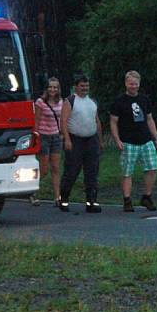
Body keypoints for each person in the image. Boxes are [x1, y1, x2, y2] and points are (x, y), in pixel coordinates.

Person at [109, 70, 157, 212]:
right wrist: (117, 139)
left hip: (145, 139)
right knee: (127, 171)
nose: (133, 86)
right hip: (128, 141)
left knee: (152, 167)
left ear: (139, 84)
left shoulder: (144, 99)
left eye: (136, 84)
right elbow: (113, 121)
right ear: (126, 84)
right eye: (131, 84)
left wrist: (156, 137)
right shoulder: (119, 101)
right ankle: (127, 199)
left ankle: (147, 196)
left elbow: (150, 119)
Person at [59, 73, 103, 213]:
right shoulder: (70, 101)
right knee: (71, 171)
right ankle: (64, 199)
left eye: (87, 86)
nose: (85, 88)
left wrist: (100, 140)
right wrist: (67, 139)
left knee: (92, 172)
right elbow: (63, 121)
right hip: (75, 139)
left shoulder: (92, 102)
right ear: (76, 87)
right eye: (82, 86)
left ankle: (91, 202)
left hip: (91, 139)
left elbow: (97, 121)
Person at [34, 77, 63, 208]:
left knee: (56, 168)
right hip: (43, 136)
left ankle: (57, 197)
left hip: (55, 136)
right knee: (44, 169)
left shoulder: (61, 102)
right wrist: (35, 136)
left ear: (58, 89)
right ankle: (33, 192)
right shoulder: (40, 102)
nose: (53, 89)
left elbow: (62, 119)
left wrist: (62, 133)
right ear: (47, 89)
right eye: (50, 87)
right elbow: (36, 120)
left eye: (55, 87)